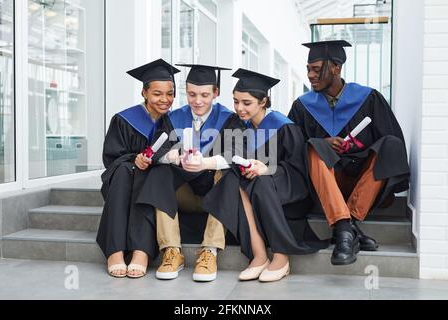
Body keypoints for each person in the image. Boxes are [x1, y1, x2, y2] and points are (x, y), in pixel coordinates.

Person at [288, 40, 410, 265]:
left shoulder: (368, 98)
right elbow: (290, 148)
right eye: (308, 69)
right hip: (325, 181)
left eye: (316, 69)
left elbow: (387, 140)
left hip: (361, 182)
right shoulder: (303, 105)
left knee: (391, 144)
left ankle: (348, 220)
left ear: (336, 68)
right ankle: (346, 227)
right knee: (313, 146)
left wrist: (357, 146)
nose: (310, 75)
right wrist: (322, 142)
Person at [202, 69, 328, 283]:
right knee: (234, 178)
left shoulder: (284, 127)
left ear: (263, 102)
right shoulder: (241, 127)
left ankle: (280, 256)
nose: (239, 108)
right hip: (253, 190)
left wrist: (267, 169)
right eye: (235, 101)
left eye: (246, 102)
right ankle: (259, 255)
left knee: (260, 180)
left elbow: (298, 171)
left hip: (288, 191)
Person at [136, 64, 246, 282]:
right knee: (159, 172)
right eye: (192, 94)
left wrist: (204, 163)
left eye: (205, 95)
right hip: (184, 194)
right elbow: (159, 150)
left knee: (230, 175)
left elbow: (237, 155)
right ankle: (172, 251)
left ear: (216, 92)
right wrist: (173, 157)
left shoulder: (229, 119)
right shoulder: (173, 118)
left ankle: (209, 251)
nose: (198, 101)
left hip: (216, 194)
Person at [96, 59, 180, 278]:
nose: (165, 100)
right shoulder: (124, 119)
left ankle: (140, 252)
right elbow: (111, 157)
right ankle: (114, 252)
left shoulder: (171, 122)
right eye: (157, 94)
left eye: (170, 93)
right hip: (124, 176)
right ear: (144, 93)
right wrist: (135, 159)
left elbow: (175, 150)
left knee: (153, 175)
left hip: (155, 178)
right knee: (125, 172)